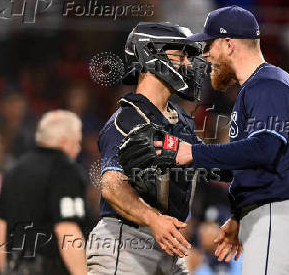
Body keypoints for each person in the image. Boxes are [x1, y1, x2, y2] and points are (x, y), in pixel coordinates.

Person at [157, 6, 289, 274]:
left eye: (209, 44)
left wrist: (195, 153)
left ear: (228, 43)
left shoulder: (268, 83)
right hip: (275, 219)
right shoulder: (258, 87)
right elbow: (247, 163)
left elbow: (264, 149)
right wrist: (239, 215)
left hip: (280, 218)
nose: (205, 54)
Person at [86, 22, 227, 275]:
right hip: (126, 243)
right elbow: (111, 186)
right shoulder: (127, 119)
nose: (187, 64)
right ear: (151, 54)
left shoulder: (180, 119)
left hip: (169, 246)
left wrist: (275, 165)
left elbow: (211, 164)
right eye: (180, 56)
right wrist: (153, 219)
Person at [0, 110, 87, 275]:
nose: (79, 149)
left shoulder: (14, 170)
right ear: (64, 142)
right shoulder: (65, 170)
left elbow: (1, 228)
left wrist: (5, 270)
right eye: (77, 142)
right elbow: (67, 229)